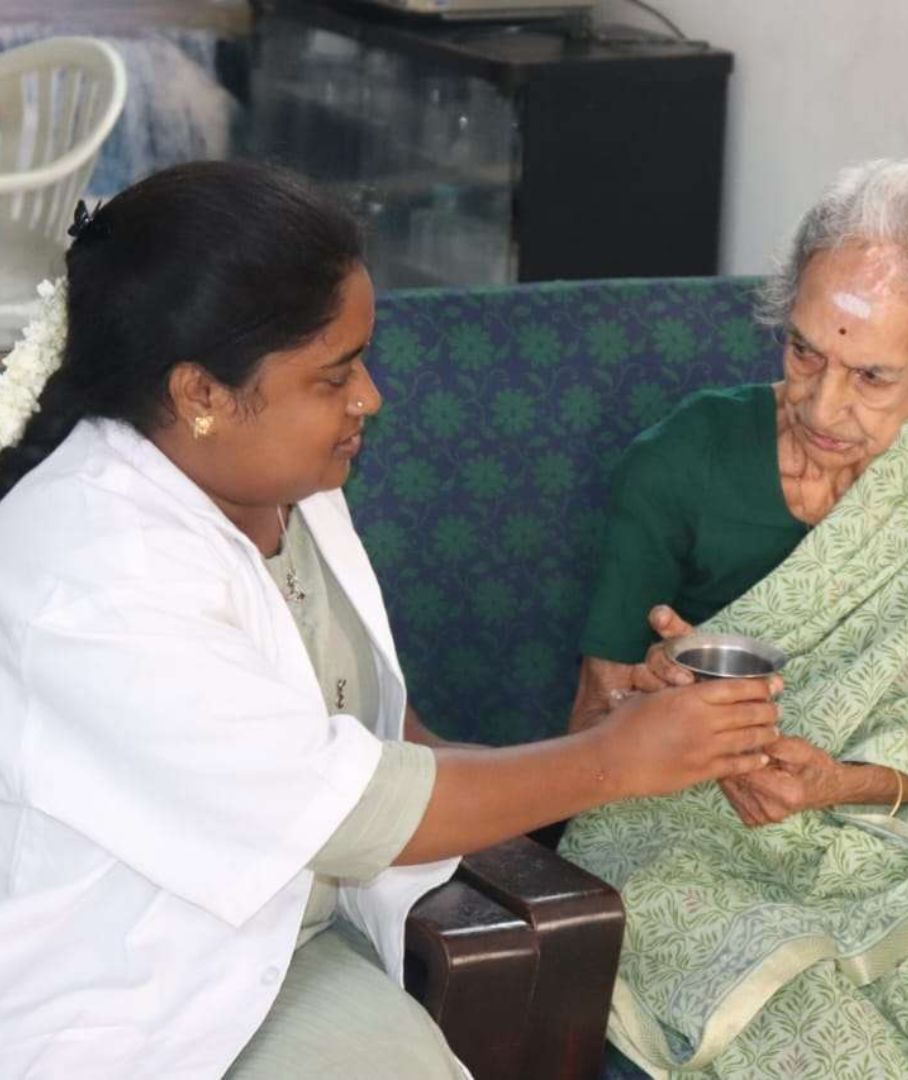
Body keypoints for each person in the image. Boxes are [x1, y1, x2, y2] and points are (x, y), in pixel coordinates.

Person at [0, 162, 782, 1078]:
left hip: (288, 945)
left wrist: (623, 733)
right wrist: (616, 763)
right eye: (334, 377)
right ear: (200, 395)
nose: (369, 397)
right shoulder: (91, 573)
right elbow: (354, 811)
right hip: (129, 984)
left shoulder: (283, 487)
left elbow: (386, 744)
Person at [562, 159, 908, 1077]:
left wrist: (837, 783)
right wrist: (646, 708)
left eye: (872, 374)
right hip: (677, 837)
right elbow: (587, 735)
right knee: (810, 1024)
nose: (822, 404)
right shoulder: (683, 458)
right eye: (805, 351)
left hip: (889, 834)